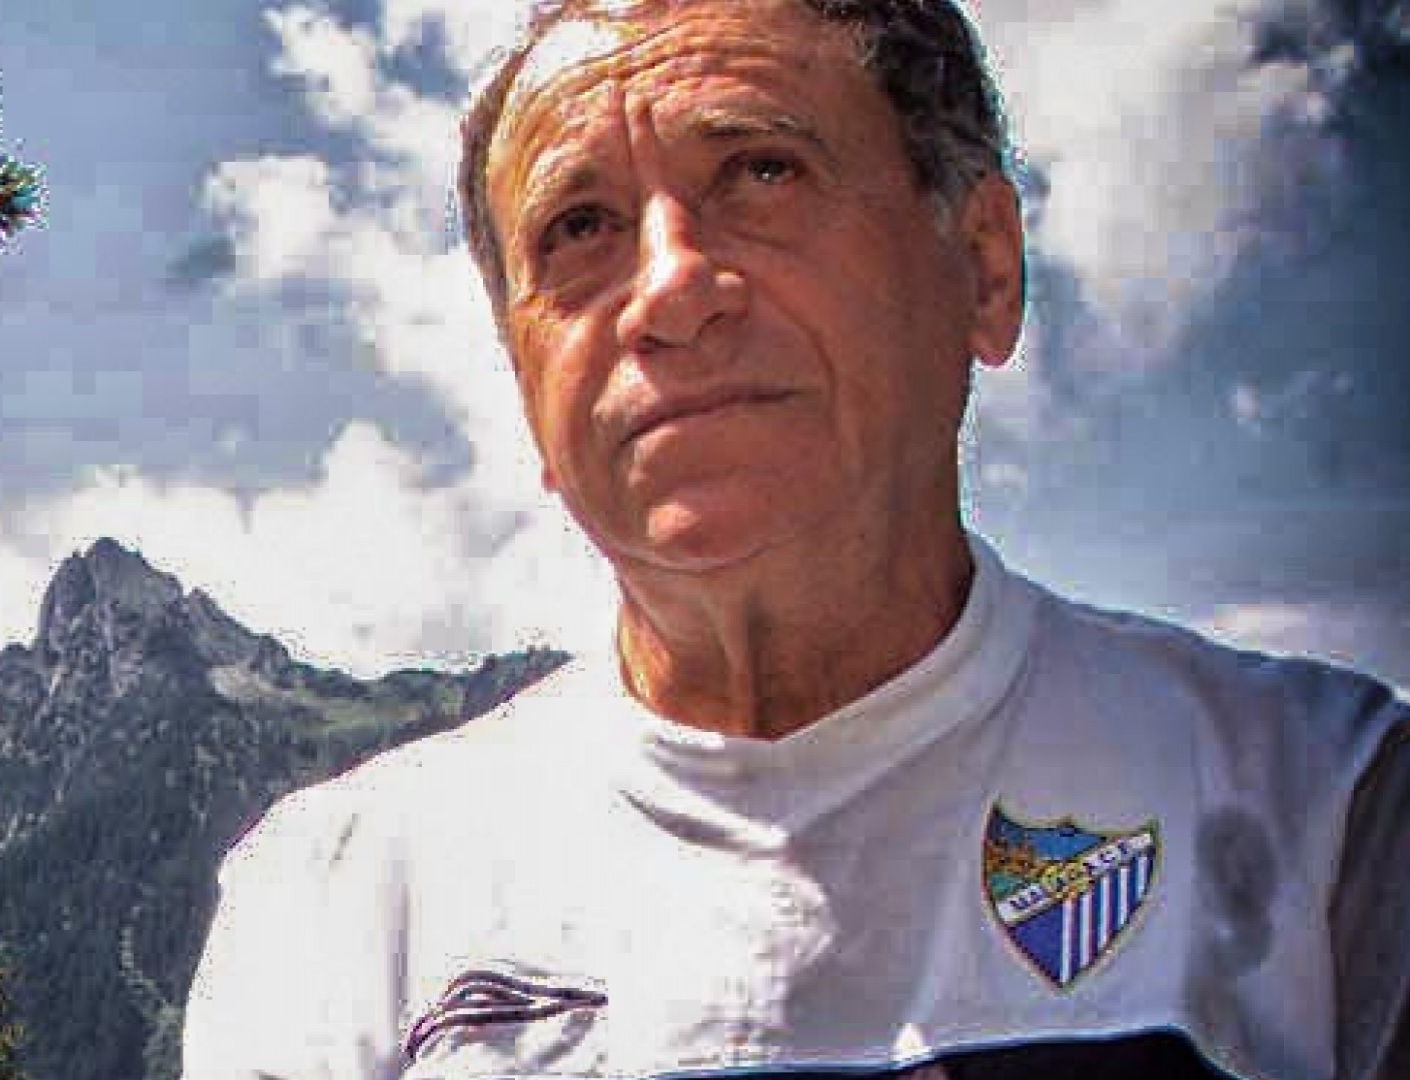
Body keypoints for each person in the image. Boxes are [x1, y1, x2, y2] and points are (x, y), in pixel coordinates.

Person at [181, 0, 1410, 1076]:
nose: (670, 289)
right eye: (580, 229)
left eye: (762, 172)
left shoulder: (1333, 804)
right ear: (524, 384)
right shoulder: (338, 897)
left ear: (984, 268)